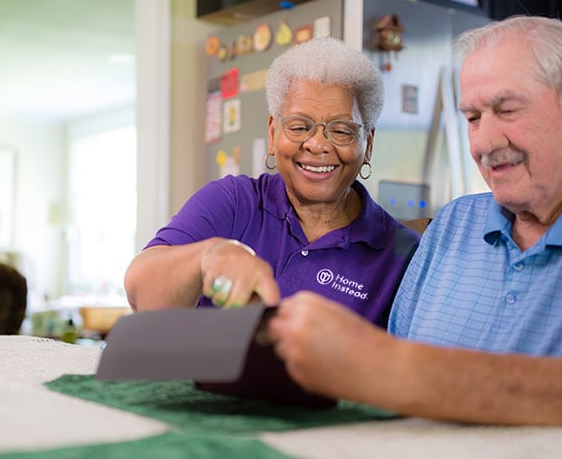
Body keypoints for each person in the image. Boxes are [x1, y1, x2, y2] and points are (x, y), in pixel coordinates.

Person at [266, 16, 562, 444]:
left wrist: (370, 362)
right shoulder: (453, 224)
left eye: (507, 110)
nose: (484, 143)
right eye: (473, 117)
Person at [124, 37, 419, 326]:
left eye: (341, 131)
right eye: (299, 126)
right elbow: (140, 291)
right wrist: (207, 256)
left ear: (367, 143)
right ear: (272, 133)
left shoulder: (403, 253)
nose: (317, 145)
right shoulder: (233, 202)